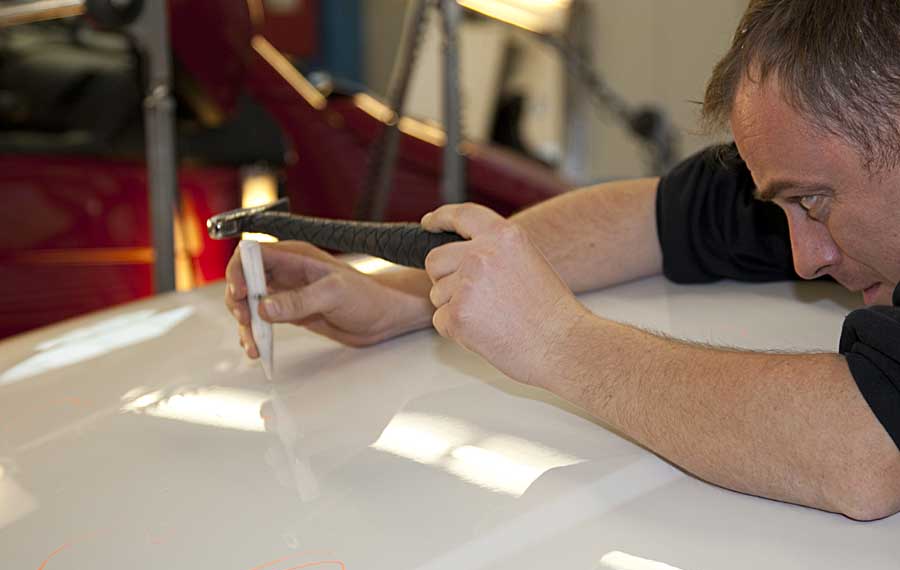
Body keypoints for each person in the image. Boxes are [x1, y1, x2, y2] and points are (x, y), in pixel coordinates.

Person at [225, 0, 900, 520]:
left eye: (813, 202)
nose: (805, 259)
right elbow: (651, 218)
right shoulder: (823, 162)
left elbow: (862, 450)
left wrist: (554, 340)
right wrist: (403, 296)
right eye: (787, 206)